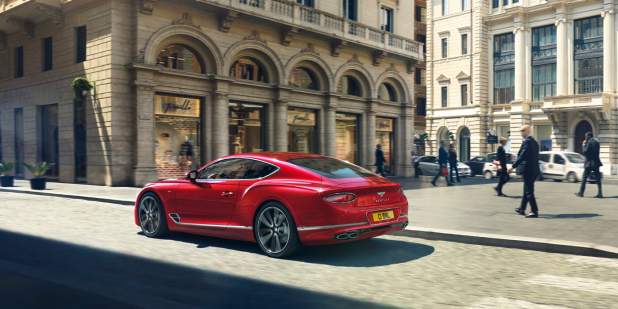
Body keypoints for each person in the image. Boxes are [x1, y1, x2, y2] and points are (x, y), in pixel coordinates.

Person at [509, 125, 541, 218]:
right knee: (526, 191)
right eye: (520, 131)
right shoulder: (535, 142)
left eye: (523, 131)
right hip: (534, 170)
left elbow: (522, 156)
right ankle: (522, 209)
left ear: (528, 131)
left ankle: (534, 211)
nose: (521, 133)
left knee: (529, 192)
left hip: (529, 170)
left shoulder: (527, 142)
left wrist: (513, 167)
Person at [576, 132, 603, 198]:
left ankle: (581, 193)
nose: (585, 138)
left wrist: (583, 144)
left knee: (584, 178)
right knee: (598, 179)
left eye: (586, 136)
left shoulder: (589, 142)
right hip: (596, 163)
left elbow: (585, 152)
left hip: (589, 163)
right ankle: (600, 193)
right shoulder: (597, 142)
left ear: (588, 136)